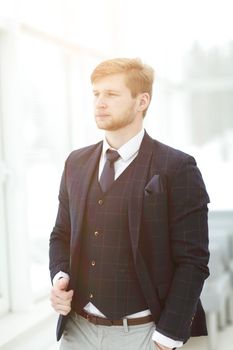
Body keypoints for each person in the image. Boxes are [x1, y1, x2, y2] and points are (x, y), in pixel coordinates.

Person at [49, 57, 210, 350]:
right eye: (96, 94)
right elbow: (61, 234)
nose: (99, 102)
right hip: (78, 331)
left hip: (143, 333)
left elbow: (193, 261)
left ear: (141, 101)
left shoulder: (178, 168)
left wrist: (167, 337)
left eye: (111, 94)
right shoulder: (75, 163)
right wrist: (60, 276)